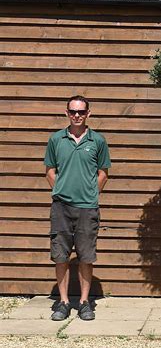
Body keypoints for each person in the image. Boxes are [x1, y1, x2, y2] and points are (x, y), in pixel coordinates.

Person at [44, 96, 111, 321]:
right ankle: (63, 303)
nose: (77, 115)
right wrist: (59, 190)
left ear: (88, 114)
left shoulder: (98, 141)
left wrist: (92, 194)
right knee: (61, 255)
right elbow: (49, 170)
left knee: (86, 256)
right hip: (61, 207)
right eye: (73, 111)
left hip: (87, 208)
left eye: (81, 112)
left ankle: (84, 302)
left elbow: (103, 172)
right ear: (66, 113)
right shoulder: (56, 140)